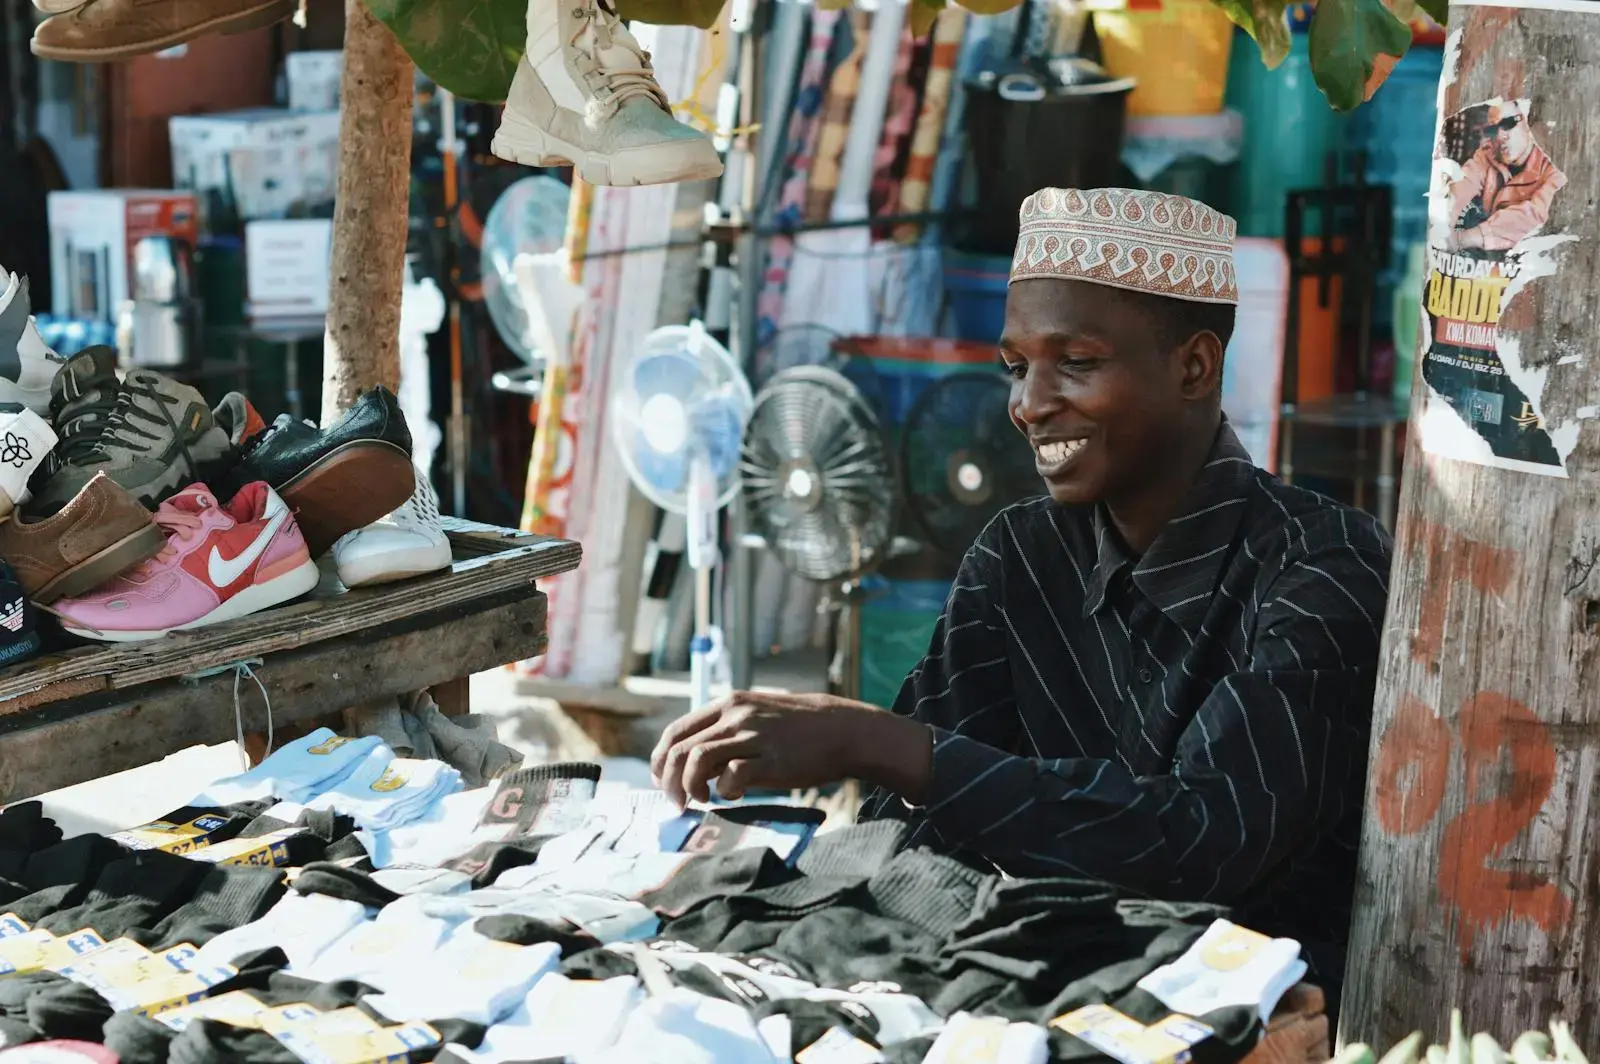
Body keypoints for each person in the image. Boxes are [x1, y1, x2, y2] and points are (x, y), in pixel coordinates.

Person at [651, 186, 1393, 1006]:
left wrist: (885, 743)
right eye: (1016, 367)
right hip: (1041, 988)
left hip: (1264, 1021)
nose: (1029, 404)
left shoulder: (1325, 565)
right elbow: (909, 827)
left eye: (1075, 363)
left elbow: (1203, 844)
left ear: (1194, 366)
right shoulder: (1020, 554)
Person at [1447, 99, 1566, 253]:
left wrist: (1463, 239)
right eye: (1492, 130)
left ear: (1527, 122)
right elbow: (1460, 189)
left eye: (1508, 123)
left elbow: (1535, 216)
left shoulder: (1553, 168)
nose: (1500, 136)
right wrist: (1443, 226)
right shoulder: (1488, 155)